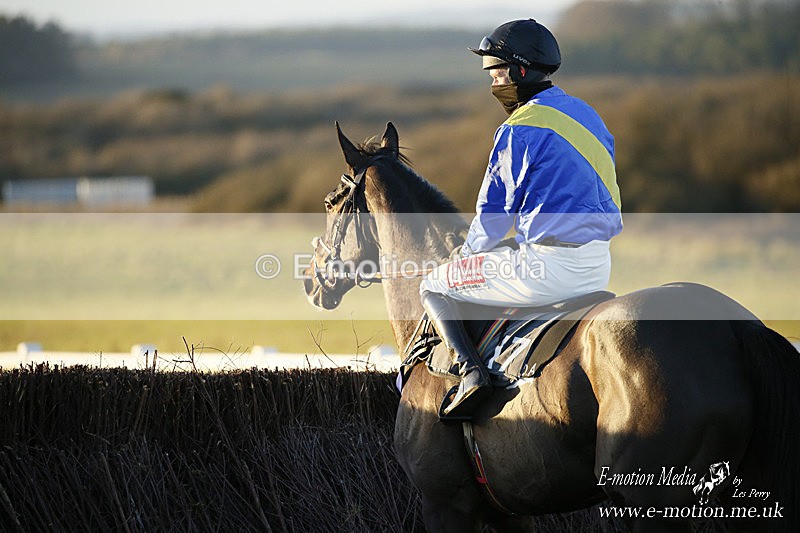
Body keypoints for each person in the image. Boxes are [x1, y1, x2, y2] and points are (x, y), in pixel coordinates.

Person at [419, 19, 623, 419]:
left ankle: (471, 374)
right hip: (598, 266)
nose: (494, 84)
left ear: (520, 71)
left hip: (545, 270)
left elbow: (494, 214)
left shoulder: (518, 128)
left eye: (497, 74)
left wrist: (464, 257)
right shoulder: (588, 115)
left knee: (433, 285)